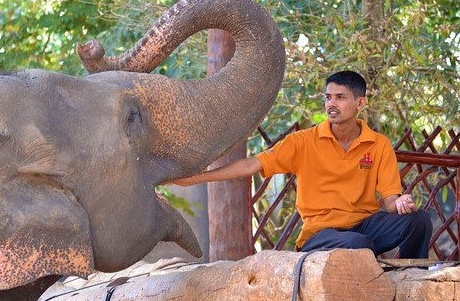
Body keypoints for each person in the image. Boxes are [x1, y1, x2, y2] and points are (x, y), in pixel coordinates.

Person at [172, 70, 432, 258]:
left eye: (340, 97)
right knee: (358, 243)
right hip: (320, 234)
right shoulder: (303, 142)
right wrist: (195, 177)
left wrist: (399, 203)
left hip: (364, 226)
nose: (331, 103)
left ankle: (409, 276)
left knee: (418, 221)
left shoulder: (378, 144)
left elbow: (389, 201)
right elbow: (251, 165)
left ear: (360, 103)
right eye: (328, 97)